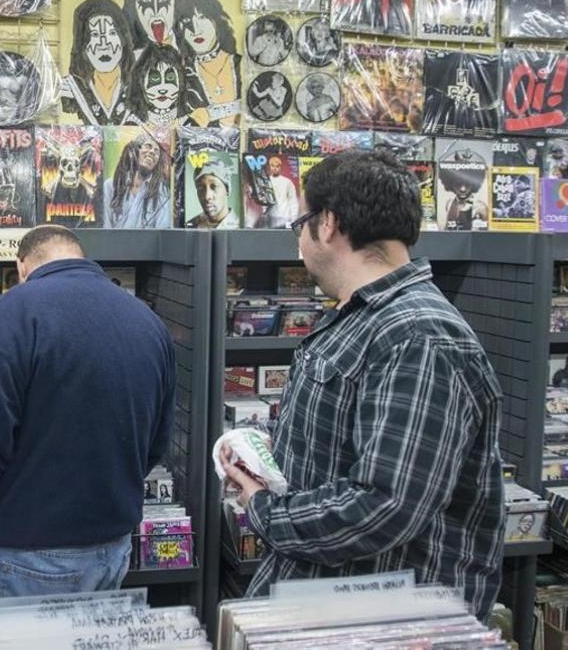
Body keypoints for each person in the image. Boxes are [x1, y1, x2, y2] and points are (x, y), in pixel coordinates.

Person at [218, 150, 504, 622]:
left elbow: (385, 504)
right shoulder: (366, 318)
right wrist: (276, 452)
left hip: (379, 622)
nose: (299, 244)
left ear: (327, 224)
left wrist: (265, 510)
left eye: (300, 224)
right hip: (327, 605)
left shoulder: (419, 335)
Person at [0, 225, 175, 621]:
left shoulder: (16, 312)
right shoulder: (146, 320)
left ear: (21, 266)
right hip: (111, 550)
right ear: (80, 256)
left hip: (18, 554)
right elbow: (156, 440)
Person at [103, 132, 172, 228]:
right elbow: (105, 227)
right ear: (135, 150)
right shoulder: (110, 186)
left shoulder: (162, 192)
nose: (152, 152)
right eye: (148, 146)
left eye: (157, 152)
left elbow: (163, 231)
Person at [186, 157, 238, 228]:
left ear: (228, 190)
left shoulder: (239, 227)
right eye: (201, 188)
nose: (207, 196)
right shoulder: (190, 226)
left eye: (214, 187)